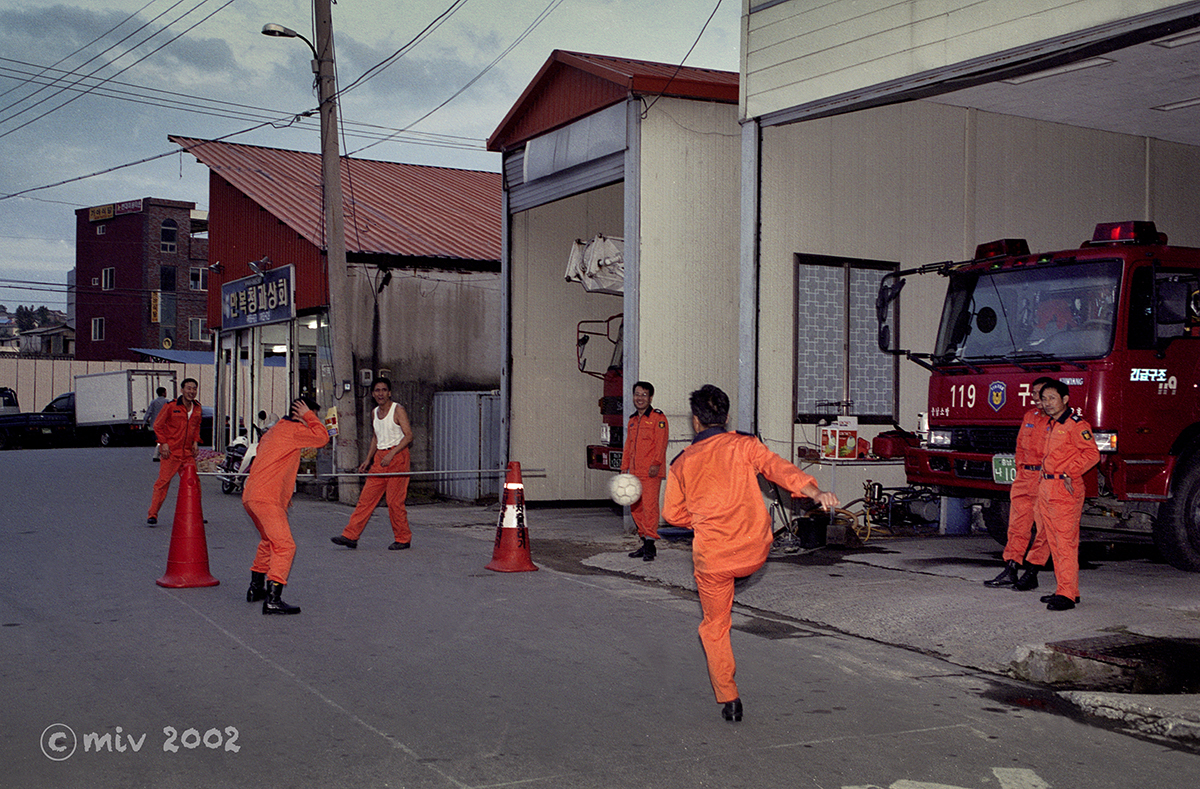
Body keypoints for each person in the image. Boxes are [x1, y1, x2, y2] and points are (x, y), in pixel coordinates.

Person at [662, 384, 839, 722]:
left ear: (696, 421)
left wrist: (699, 521)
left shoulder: (681, 463)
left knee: (715, 625)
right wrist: (815, 492)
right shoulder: (744, 445)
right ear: (726, 418)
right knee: (740, 567)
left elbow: (672, 515)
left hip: (713, 559)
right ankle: (741, 572)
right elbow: (779, 469)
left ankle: (729, 697)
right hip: (754, 551)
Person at [243, 396, 330, 615]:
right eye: (313, 415)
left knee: (267, 541)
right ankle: (273, 599)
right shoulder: (293, 429)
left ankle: (255, 589)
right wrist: (309, 416)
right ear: (300, 413)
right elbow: (322, 437)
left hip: (252, 496)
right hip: (266, 499)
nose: (314, 421)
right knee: (285, 546)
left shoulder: (274, 430)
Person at [1034, 379, 1100, 611]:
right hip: (1048, 487)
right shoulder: (1051, 424)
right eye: (1044, 399)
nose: (1047, 403)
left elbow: (1092, 454)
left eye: (1052, 398)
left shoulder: (1076, 425)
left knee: (1065, 543)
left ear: (1065, 399)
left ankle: (1067, 595)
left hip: (1064, 489)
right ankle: (1067, 588)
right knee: (1054, 542)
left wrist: (1071, 472)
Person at [984, 376, 1054, 590]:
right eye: (1033, 394)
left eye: (1041, 394)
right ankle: (1011, 569)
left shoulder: (1059, 421)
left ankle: (1032, 573)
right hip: (1024, 478)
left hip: (1046, 480)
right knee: (1017, 527)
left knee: (1044, 530)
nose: (1036, 398)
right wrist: (1020, 473)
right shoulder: (1029, 416)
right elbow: (1020, 449)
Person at [331, 377, 415, 550]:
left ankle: (403, 538)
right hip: (380, 459)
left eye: (384, 390)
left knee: (394, 501)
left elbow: (408, 436)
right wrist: (368, 460)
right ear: (373, 394)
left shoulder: (398, 410)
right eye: (377, 390)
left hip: (397, 456)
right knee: (366, 499)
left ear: (389, 392)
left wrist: (392, 454)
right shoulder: (374, 412)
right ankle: (350, 535)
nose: (380, 394)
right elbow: (376, 437)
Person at [620, 381, 669, 561]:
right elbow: (628, 446)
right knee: (636, 508)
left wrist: (656, 463)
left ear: (650, 398)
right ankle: (644, 541)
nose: (640, 398)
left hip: (650, 472)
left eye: (644, 395)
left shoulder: (658, 418)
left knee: (649, 507)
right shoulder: (632, 420)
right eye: (637, 394)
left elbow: (661, 443)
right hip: (634, 472)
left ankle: (650, 545)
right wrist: (624, 467)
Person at [146, 378, 203, 526]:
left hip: (187, 454)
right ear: (182, 390)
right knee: (162, 483)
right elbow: (158, 425)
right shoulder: (171, 406)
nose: (191, 392)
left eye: (194, 389)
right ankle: (153, 514)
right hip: (171, 452)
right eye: (188, 388)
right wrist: (163, 444)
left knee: (194, 483)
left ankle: (195, 513)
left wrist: (195, 442)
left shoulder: (197, 408)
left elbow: (196, 427)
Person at [146, 386, 169, 461]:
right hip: (165, 424)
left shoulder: (154, 402)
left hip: (155, 424)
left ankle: (158, 455)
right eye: (165, 392)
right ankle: (156, 455)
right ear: (163, 393)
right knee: (162, 440)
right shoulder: (167, 402)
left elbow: (149, 412)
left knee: (159, 439)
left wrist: (145, 420)